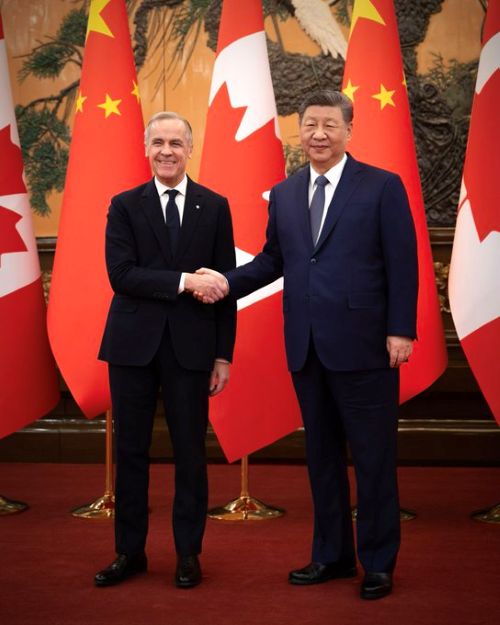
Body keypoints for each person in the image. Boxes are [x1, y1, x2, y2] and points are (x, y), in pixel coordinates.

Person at [196, 90, 418, 600]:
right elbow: (274, 260)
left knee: (373, 459)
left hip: (367, 346)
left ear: (348, 131)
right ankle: (332, 555)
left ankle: (378, 562)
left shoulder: (382, 186)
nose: (319, 134)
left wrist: (401, 329)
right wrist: (226, 281)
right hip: (306, 346)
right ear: (299, 131)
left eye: (329, 125)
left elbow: (403, 262)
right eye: (310, 125)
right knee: (321, 457)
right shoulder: (286, 192)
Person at [94, 112, 236, 589]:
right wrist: (184, 281)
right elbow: (122, 275)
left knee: (190, 453)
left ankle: (188, 554)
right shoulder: (124, 205)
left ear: (190, 149)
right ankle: (129, 552)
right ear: (146, 149)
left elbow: (225, 288)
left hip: (192, 349)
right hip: (132, 348)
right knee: (131, 451)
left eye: (176, 143)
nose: (167, 151)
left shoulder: (214, 206)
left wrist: (223, 355)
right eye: (158, 142)